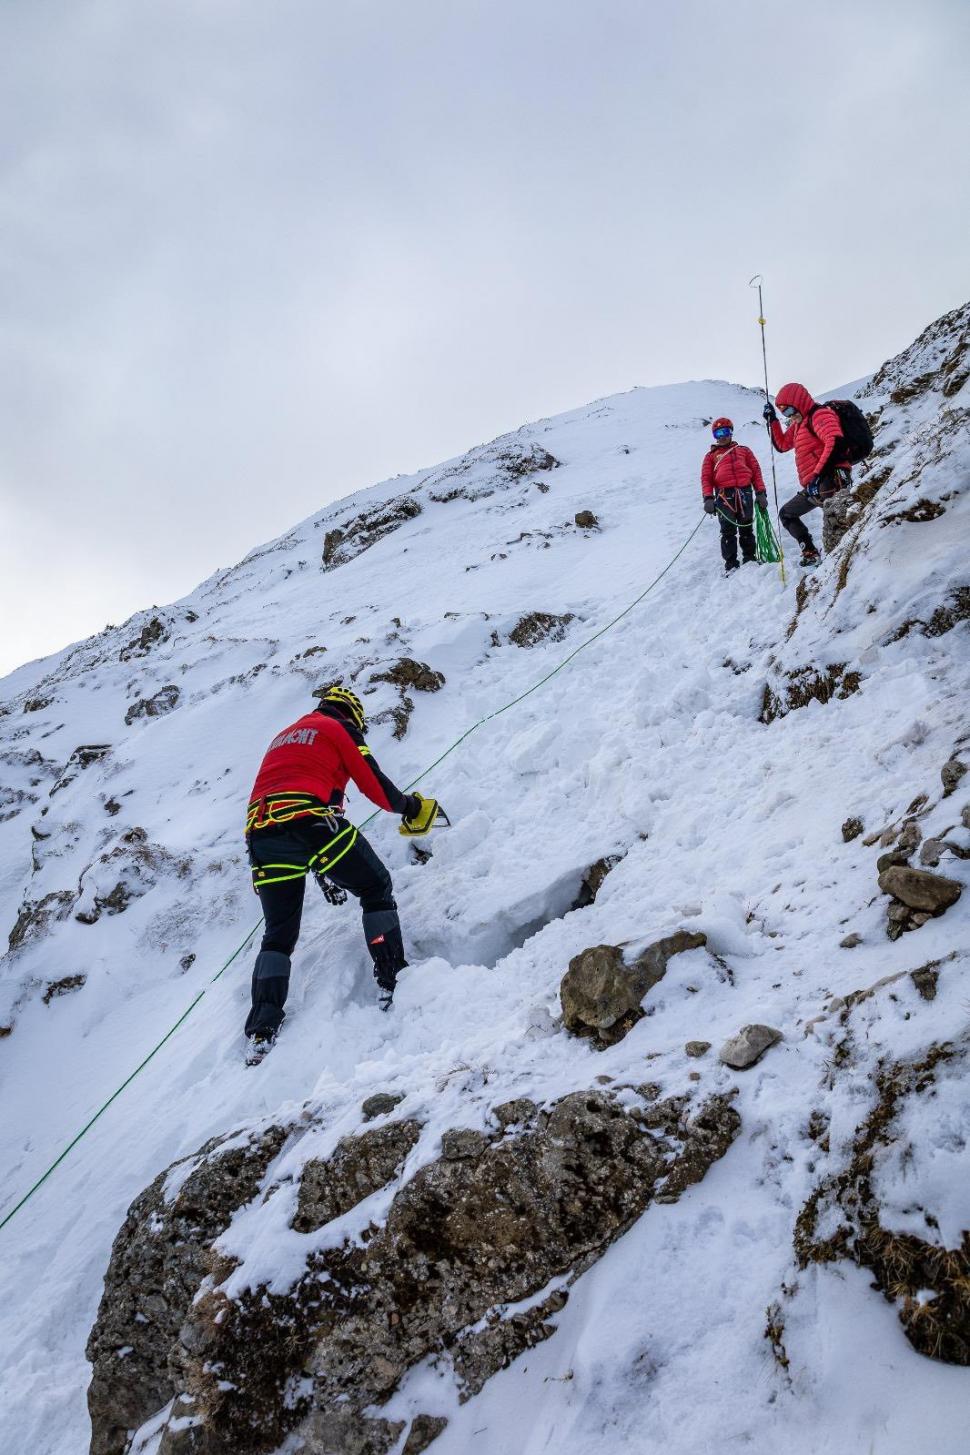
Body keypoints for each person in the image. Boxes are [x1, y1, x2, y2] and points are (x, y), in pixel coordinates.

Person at [242, 683, 428, 1057]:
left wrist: (321, 872)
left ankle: (261, 1029)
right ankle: (392, 977)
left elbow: (290, 798)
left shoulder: (283, 736)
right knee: (376, 888)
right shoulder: (337, 728)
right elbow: (373, 784)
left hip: (261, 836)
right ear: (352, 714)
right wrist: (409, 806)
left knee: (278, 935)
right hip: (311, 822)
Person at [763, 383, 852, 566]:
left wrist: (818, 474)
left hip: (830, 478)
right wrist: (772, 420)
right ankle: (810, 551)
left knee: (838, 524)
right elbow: (782, 445)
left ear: (799, 402)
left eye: (789, 410)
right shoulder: (799, 425)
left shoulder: (819, 415)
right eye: (784, 414)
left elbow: (835, 442)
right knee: (787, 514)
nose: (789, 416)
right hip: (814, 485)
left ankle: (845, 563)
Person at [701, 417, 769, 573]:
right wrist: (708, 498)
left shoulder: (744, 451)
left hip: (745, 492)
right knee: (727, 530)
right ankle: (731, 564)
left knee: (746, 527)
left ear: (731, 432)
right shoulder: (710, 456)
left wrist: (760, 492)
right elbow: (706, 478)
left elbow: (756, 472)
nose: (722, 436)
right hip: (724, 496)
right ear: (714, 436)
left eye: (725, 431)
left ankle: (750, 558)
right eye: (718, 433)